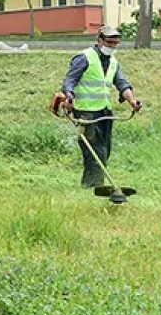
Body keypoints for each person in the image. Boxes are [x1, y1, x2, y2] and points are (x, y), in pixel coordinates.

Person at [56, 25, 142, 192]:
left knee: (104, 150)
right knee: (95, 151)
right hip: (86, 112)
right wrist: (69, 97)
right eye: (109, 42)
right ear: (99, 40)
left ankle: (92, 185)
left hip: (105, 112)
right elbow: (69, 81)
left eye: (115, 43)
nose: (112, 46)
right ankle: (93, 187)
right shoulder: (84, 57)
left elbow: (122, 84)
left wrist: (132, 101)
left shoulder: (114, 63)